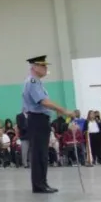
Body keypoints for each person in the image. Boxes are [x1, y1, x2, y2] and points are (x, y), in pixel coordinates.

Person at [22, 56, 74, 193]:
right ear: (34, 67)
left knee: (42, 153)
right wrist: (63, 110)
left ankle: (42, 183)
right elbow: (43, 102)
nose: (46, 68)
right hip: (37, 119)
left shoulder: (38, 83)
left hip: (41, 119)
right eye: (43, 66)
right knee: (39, 153)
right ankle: (39, 185)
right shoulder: (32, 82)